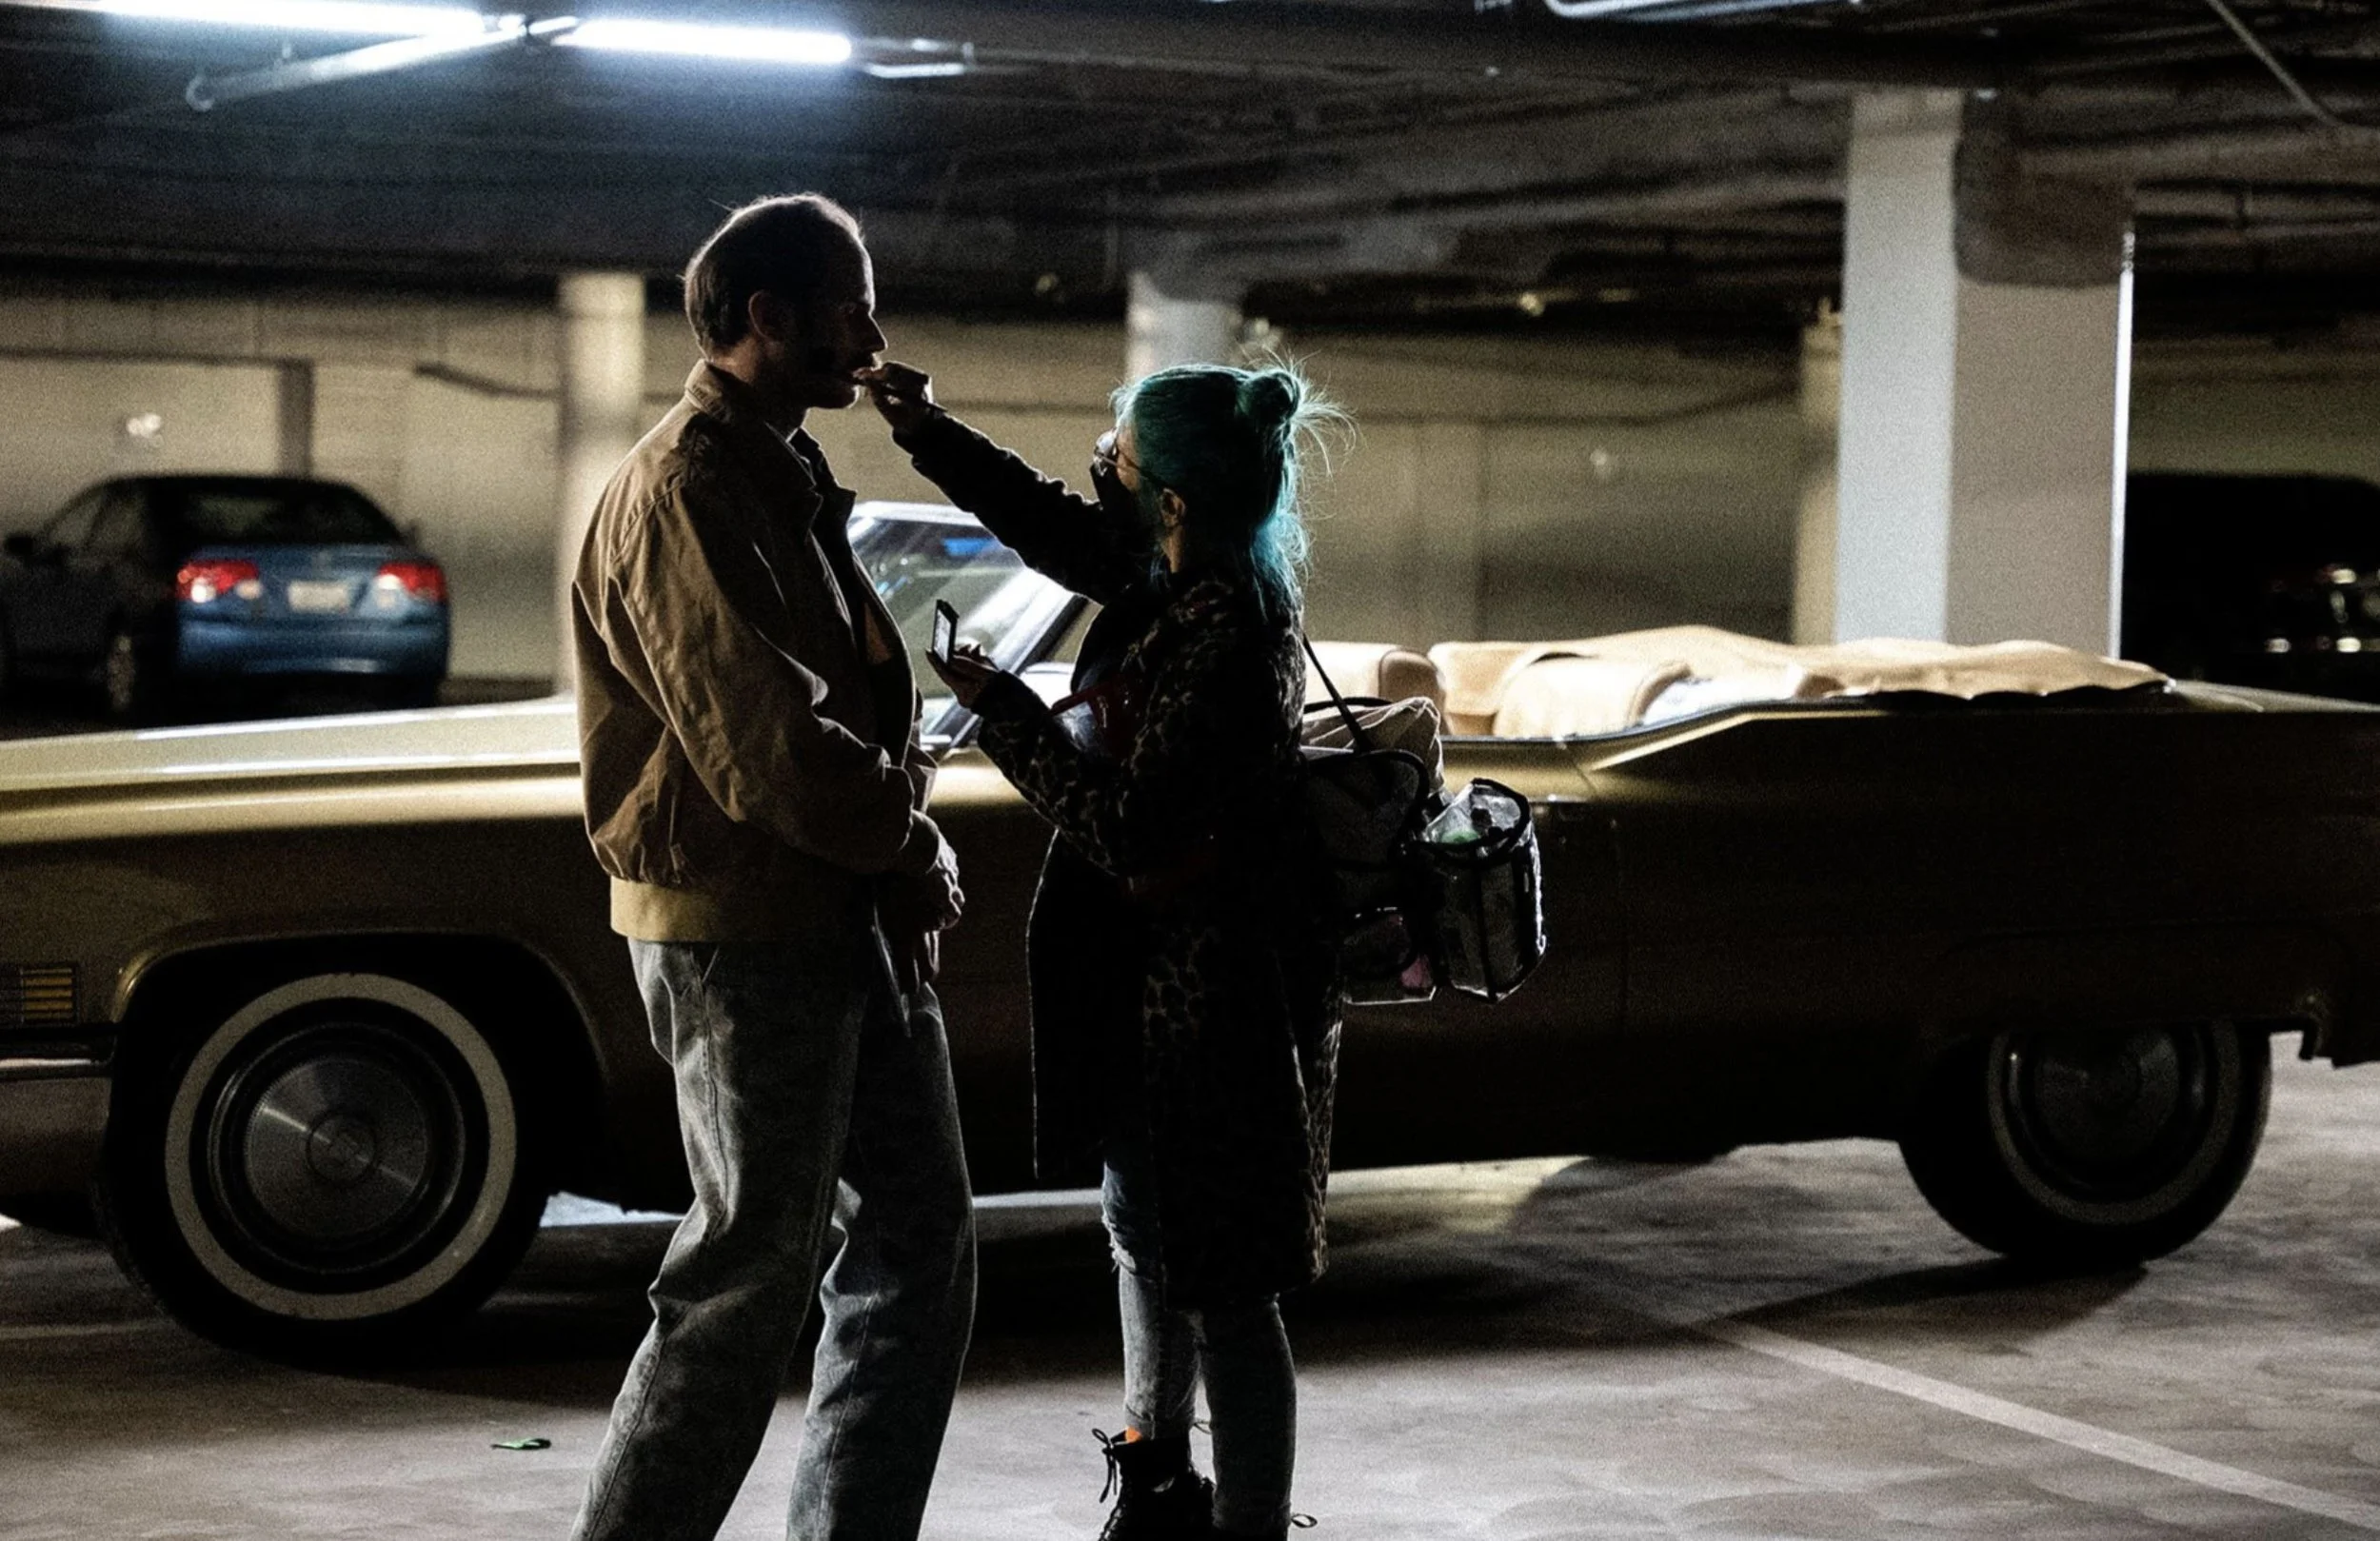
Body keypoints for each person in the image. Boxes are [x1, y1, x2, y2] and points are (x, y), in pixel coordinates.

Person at [864, 356, 1344, 1541]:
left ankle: (1251, 1522)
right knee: (1142, 1240)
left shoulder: (1226, 630)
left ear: (1171, 496)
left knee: (1224, 1287)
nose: (1102, 464)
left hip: (1214, 1012)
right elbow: (1038, 517)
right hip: (1146, 1001)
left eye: (1119, 453)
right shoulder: (1162, 576)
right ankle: (1156, 1475)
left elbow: (1129, 831)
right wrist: (925, 426)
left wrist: (1007, 718)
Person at [567, 194, 975, 1541]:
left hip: (837, 908)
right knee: (746, 1279)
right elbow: (770, 747)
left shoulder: (776, 471)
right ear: (766, 318)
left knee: (918, 1248)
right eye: (851, 305)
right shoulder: (689, 486)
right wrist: (910, 836)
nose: (872, 334)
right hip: (746, 927)